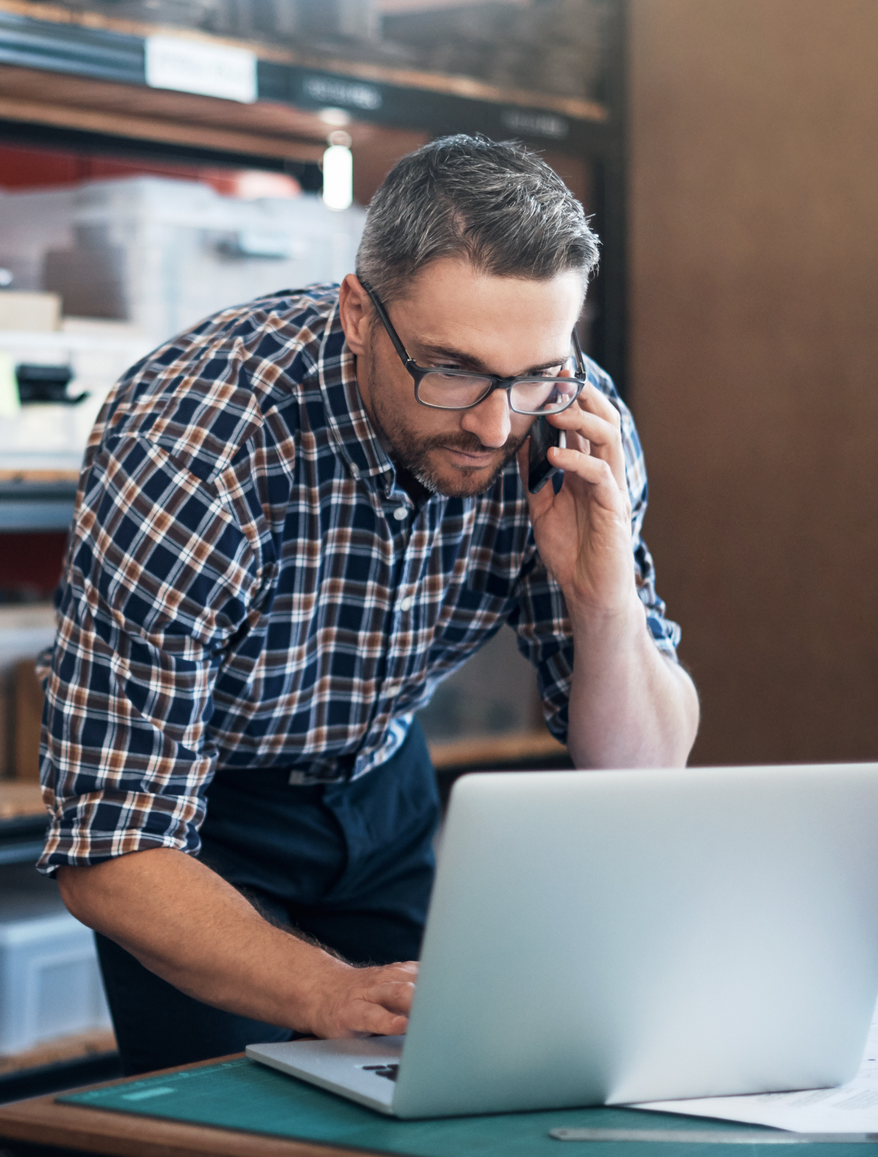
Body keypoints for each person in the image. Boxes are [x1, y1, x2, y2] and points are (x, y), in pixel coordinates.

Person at [39, 135, 700, 1075]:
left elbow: (639, 771)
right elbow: (110, 849)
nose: (493, 424)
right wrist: (327, 992)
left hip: (385, 783)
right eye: (452, 369)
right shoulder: (197, 449)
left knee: (445, 1109)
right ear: (357, 313)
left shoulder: (567, 420)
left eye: (533, 373)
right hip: (201, 824)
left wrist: (605, 602)